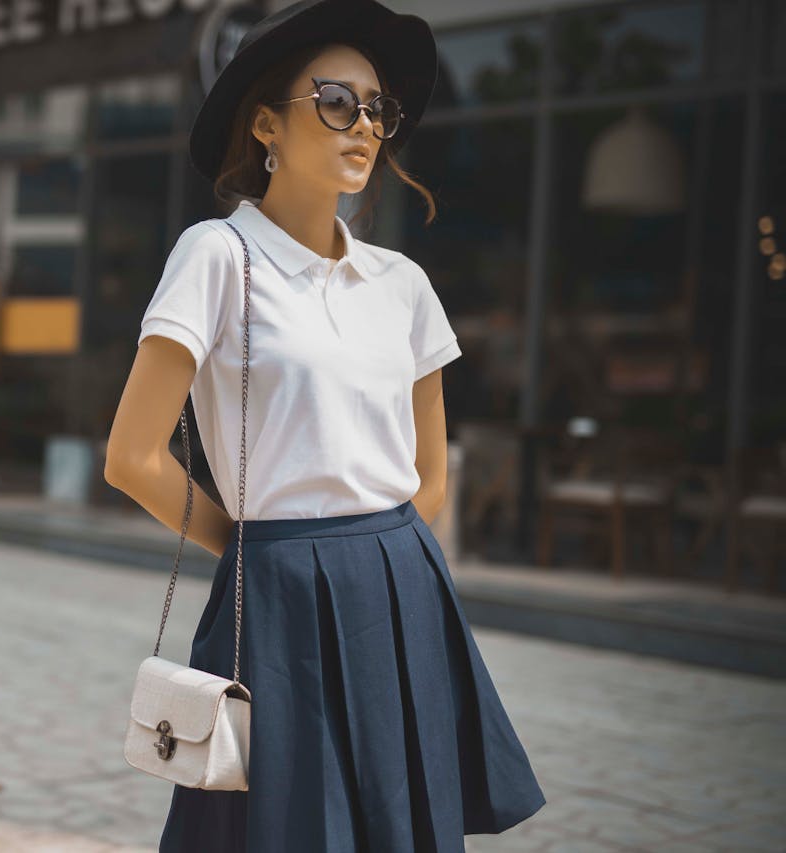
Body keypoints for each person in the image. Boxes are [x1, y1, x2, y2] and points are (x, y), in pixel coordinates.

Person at [103, 1, 547, 850]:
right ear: (267, 122)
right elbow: (131, 456)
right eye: (339, 101)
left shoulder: (402, 282)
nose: (366, 125)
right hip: (278, 587)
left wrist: (398, 567)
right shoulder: (216, 255)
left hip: (403, 577)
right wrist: (254, 549)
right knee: (284, 828)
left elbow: (431, 473)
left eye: (379, 109)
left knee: (397, 822)